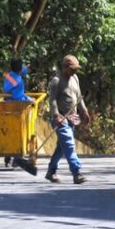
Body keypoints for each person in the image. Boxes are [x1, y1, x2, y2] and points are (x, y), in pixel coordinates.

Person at [46, 55, 89, 184]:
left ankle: (51, 171)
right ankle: (77, 172)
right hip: (61, 118)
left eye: (76, 69)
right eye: (72, 69)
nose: (74, 71)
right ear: (64, 68)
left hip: (72, 118)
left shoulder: (75, 78)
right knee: (69, 144)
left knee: (61, 147)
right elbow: (52, 100)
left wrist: (85, 111)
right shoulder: (56, 81)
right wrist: (56, 116)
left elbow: (79, 97)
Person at [2, 58, 37, 175]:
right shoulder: (18, 81)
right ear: (19, 68)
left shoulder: (9, 75)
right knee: (17, 130)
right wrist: (30, 100)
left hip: (6, 105)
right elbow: (19, 96)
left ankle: (8, 156)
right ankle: (16, 155)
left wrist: (27, 68)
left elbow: (20, 72)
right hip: (16, 106)